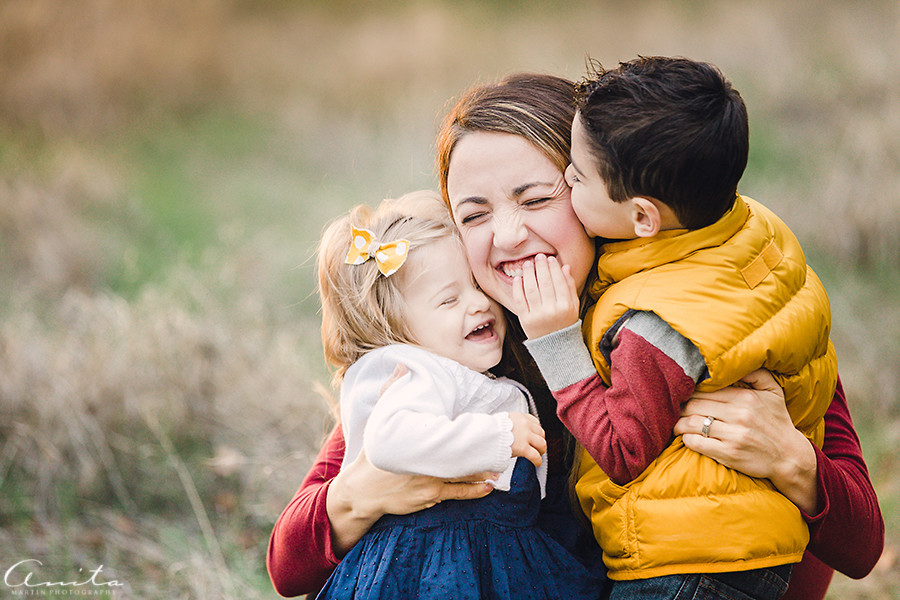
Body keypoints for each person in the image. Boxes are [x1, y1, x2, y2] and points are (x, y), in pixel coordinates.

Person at [267, 73, 884, 600]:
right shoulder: (457, 344)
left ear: (603, 196)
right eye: (473, 214)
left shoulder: (700, 313)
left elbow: (861, 548)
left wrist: (791, 463)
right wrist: (361, 493)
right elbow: (287, 564)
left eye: (537, 199)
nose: (507, 237)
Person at [510, 57, 837, 598]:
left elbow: (622, 450)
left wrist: (557, 340)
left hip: (687, 561)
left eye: (577, 176)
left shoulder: (658, 323)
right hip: (744, 543)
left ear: (643, 218)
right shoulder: (747, 231)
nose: (565, 182)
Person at [311, 190, 602, 599]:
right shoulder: (421, 372)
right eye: (449, 299)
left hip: (490, 556)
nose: (478, 304)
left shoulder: (468, 376)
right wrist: (498, 437)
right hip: (435, 564)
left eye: (476, 287)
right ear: (400, 333)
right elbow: (388, 439)